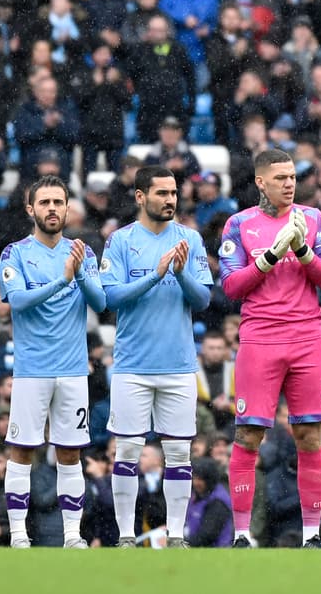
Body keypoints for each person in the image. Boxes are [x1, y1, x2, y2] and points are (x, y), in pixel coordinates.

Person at [218, 149, 321, 548]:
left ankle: (312, 534)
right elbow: (231, 286)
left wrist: (303, 250)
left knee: (309, 435)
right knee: (248, 435)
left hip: (307, 338)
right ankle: (241, 534)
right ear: (260, 182)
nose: (289, 184)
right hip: (260, 339)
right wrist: (271, 256)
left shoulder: (313, 219)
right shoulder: (239, 224)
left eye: (292, 177)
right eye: (280, 178)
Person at [101, 166, 213, 547]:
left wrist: (180, 274)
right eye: (162, 193)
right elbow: (110, 297)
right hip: (132, 365)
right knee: (128, 450)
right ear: (140, 196)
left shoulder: (190, 239)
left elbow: (204, 299)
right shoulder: (120, 241)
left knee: (179, 452)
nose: (170, 200)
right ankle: (126, 535)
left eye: (174, 193)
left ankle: (177, 535)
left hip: (178, 365)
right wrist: (156, 274)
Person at [0, 176, 106, 548]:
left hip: (73, 369)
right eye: (44, 202)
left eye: (58, 202)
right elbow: (18, 300)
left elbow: (101, 303)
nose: (52, 209)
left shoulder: (82, 252)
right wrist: (63, 280)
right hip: (32, 370)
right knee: (22, 450)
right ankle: (18, 534)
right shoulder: (14, 253)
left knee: (70, 452)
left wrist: (79, 274)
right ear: (31, 209)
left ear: (67, 207)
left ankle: (72, 535)